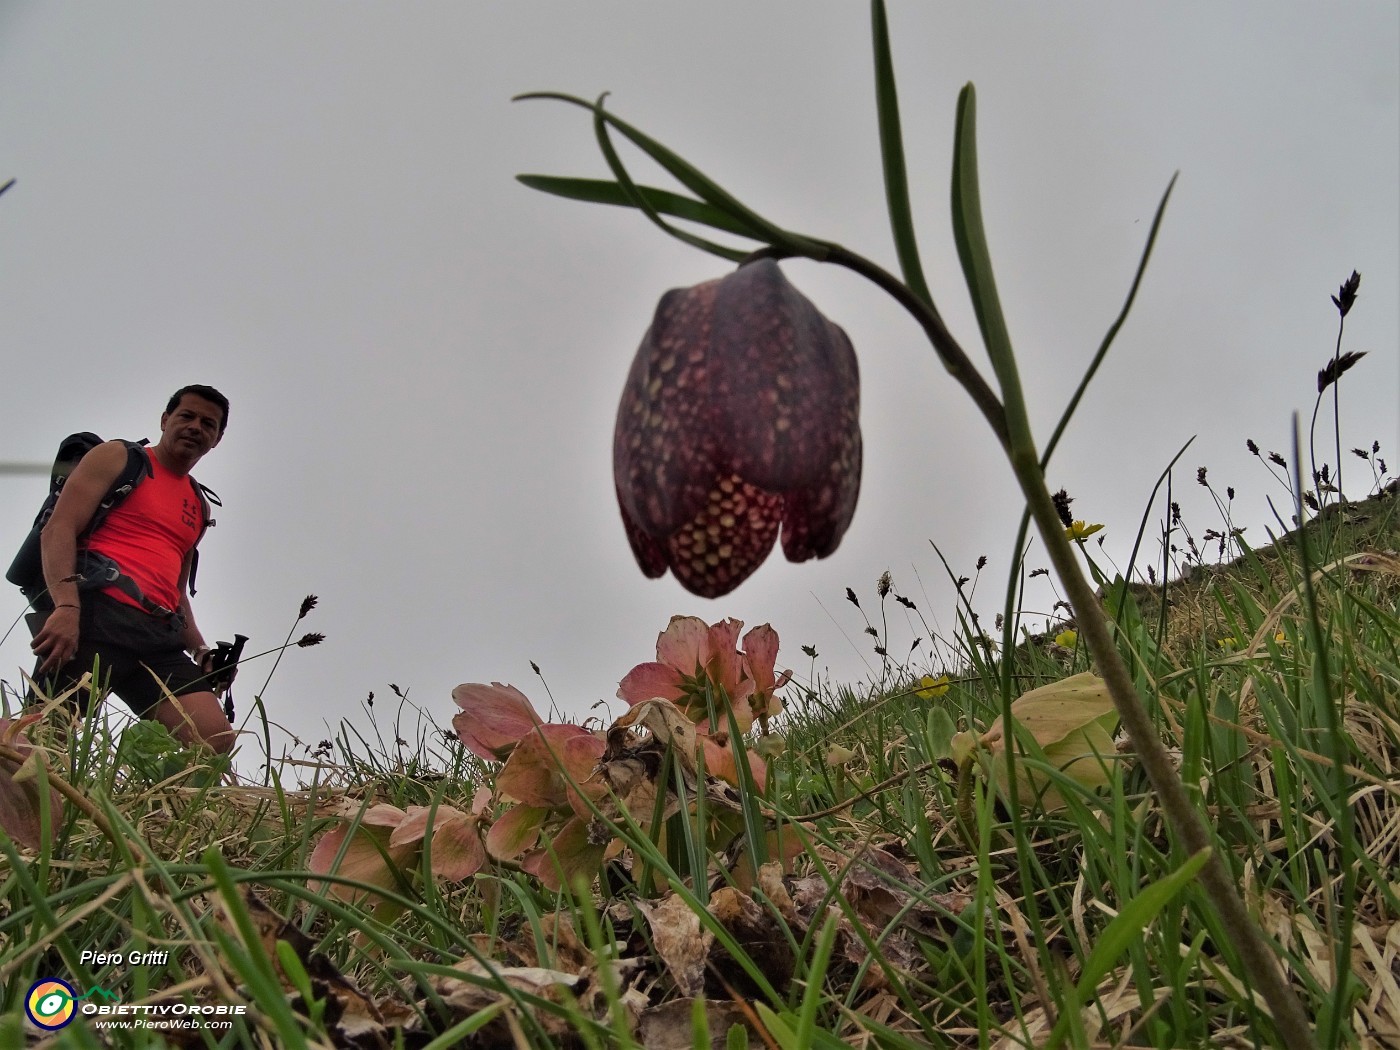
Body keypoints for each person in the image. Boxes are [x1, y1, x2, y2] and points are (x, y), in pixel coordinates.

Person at [28, 385, 235, 755]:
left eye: (208, 423)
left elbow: (176, 591)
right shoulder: (119, 457)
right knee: (40, 741)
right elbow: (58, 528)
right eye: (186, 416)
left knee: (213, 740)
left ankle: (160, 807)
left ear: (217, 439)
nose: (195, 427)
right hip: (96, 617)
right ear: (165, 419)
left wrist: (200, 649)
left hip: (158, 636)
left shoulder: (199, 506)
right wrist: (66, 607)